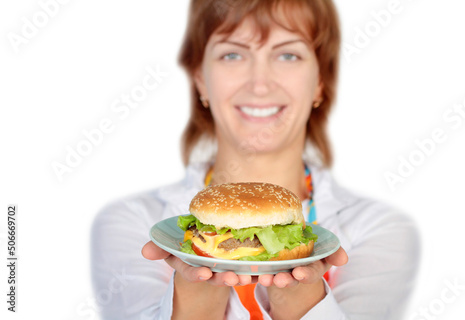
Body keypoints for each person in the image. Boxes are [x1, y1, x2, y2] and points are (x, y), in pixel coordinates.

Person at [91, 0, 420, 319]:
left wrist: (299, 293)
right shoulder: (132, 223)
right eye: (232, 54)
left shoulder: (380, 228)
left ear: (320, 82)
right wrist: (196, 292)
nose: (260, 84)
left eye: (288, 54)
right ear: (200, 80)